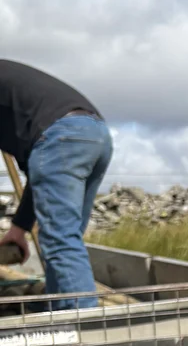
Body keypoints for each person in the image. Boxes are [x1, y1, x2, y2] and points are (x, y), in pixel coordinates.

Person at [0, 59, 113, 308]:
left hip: (61, 136)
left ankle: (85, 322)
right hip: (95, 134)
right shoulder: (19, 112)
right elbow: (37, 177)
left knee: (59, 240)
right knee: (65, 238)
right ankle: (59, 310)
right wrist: (19, 228)